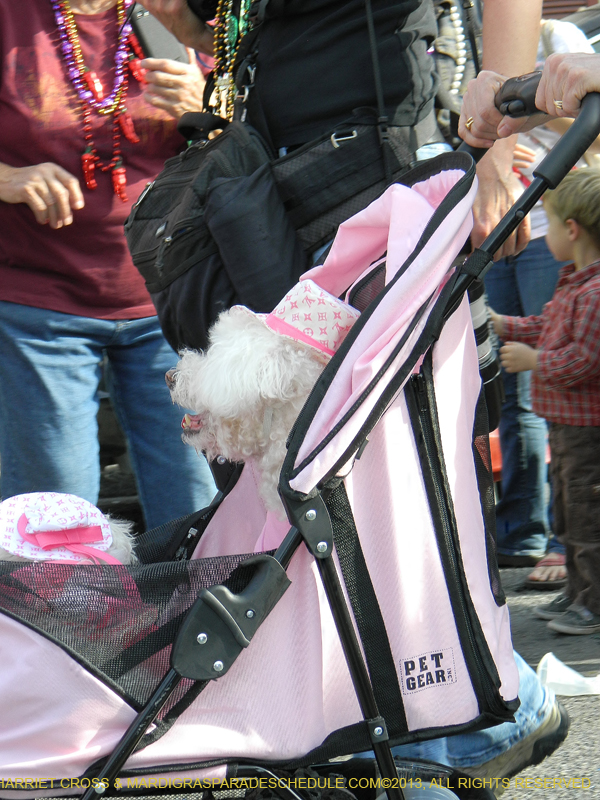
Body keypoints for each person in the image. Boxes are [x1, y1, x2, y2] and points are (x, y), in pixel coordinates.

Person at [0, 0, 217, 531]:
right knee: (56, 529)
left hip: (170, 303)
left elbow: (259, 128)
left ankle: (187, 616)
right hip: (38, 313)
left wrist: (206, 106)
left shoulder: (179, 14)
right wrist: (5, 178)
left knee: (201, 513)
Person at [484, 18, 595, 579]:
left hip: (546, 205)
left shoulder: (559, 40)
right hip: (495, 218)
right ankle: (526, 529)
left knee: (542, 381)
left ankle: (556, 540)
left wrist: (535, 114)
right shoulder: (455, 39)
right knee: (509, 387)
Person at [489, 167, 600, 636]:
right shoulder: (573, 282)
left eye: (548, 224)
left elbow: (584, 360)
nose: (544, 235)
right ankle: (577, 592)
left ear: (571, 230)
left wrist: (534, 360)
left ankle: (592, 604)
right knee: (568, 512)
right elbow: (547, 326)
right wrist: (503, 325)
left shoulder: (593, 292)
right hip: (566, 429)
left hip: (586, 434)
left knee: (588, 516)